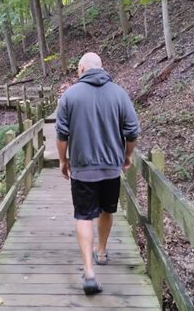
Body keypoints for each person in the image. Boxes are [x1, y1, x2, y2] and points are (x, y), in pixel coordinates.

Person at [55, 52, 140, 295]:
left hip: (82, 170)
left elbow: (61, 134)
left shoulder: (70, 96)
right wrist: (127, 155)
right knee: (107, 210)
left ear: (82, 68)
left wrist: (63, 160)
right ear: (101, 68)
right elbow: (132, 131)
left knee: (83, 216)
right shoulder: (119, 93)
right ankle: (101, 251)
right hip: (111, 169)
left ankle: (89, 272)